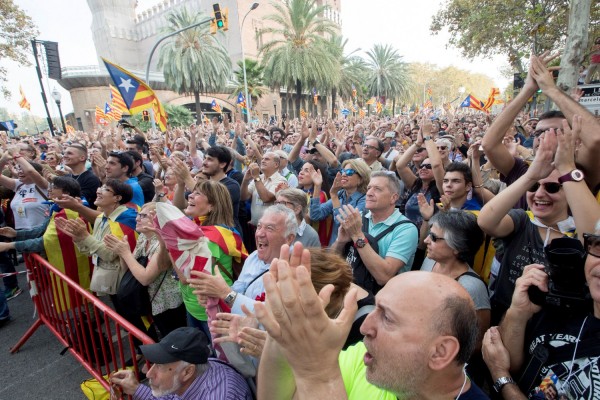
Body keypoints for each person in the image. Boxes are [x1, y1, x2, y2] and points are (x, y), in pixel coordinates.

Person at [255, 263, 489, 399]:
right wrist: (284, 334)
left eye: (387, 317)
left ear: (439, 352)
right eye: (375, 308)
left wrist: (318, 374)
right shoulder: (365, 357)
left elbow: (315, 382)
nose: (365, 327)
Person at [478, 118, 599, 321]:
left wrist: (567, 167)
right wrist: (530, 177)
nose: (540, 194)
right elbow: (486, 221)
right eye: (535, 188)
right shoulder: (523, 220)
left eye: (552, 188)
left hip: (557, 327)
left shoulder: (577, 232)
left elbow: (595, 233)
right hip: (507, 318)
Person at [480, 221, 600, 399]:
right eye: (599, 246)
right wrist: (518, 313)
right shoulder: (561, 302)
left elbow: (503, 367)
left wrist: (501, 377)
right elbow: (510, 361)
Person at [0, 177, 93, 309]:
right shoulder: (58, 208)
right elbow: (42, 229)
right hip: (69, 259)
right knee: (76, 294)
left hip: (74, 261)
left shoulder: (68, 212)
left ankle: (90, 321)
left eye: (54, 187)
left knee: (81, 292)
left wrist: (10, 245)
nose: (49, 190)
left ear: (65, 192)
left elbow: (44, 242)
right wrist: (16, 234)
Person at [187, 205, 297, 317]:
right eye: (259, 226)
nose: (259, 234)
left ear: (289, 238)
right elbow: (238, 289)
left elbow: (271, 316)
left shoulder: (296, 270)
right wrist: (214, 295)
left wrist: (225, 294)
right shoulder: (253, 257)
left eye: (269, 228)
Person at [104, 202, 186, 338]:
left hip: (166, 303)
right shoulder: (143, 237)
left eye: (143, 216)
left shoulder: (162, 243)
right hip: (151, 300)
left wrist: (125, 253)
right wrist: (122, 254)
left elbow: (145, 278)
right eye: (138, 215)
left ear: (158, 220)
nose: (137, 219)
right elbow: (131, 271)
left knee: (173, 337)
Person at [333, 171, 419, 292]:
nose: (369, 193)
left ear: (393, 198)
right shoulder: (359, 217)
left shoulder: (406, 229)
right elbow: (331, 262)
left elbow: (384, 277)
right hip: (348, 290)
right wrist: (340, 242)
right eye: (369, 188)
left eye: (377, 189)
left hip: (380, 301)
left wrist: (357, 235)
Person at [181, 180, 247, 339]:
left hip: (210, 309)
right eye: (193, 191)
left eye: (198, 194)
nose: (190, 195)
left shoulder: (212, 237)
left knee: (215, 358)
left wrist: (167, 239)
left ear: (212, 206)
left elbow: (186, 277)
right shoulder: (196, 228)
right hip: (194, 304)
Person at [109, 327, 253, 399]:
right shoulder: (196, 370)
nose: (149, 373)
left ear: (187, 372)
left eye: (159, 366)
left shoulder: (219, 396)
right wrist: (136, 389)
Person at [310, 158, 370, 245]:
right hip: (334, 248)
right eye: (342, 171)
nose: (344, 174)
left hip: (351, 251)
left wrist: (334, 196)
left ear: (361, 179)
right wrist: (317, 186)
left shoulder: (365, 199)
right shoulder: (341, 194)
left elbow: (345, 225)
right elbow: (315, 215)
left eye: (349, 172)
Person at [297, 160, 332, 246]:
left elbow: (309, 218)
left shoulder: (320, 194)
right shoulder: (298, 192)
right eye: (301, 169)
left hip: (312, 240)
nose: (301, 172)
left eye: (306, 170)